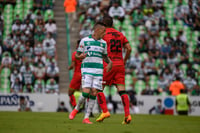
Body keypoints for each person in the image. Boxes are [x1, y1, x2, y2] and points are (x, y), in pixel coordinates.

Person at [69, 22, 112, 124]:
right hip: (87, 69)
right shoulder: (84, 41)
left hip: (98, 71)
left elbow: (105, 56)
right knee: (85, 93)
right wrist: (80, 57)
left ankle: (86, 117)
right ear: (96, 30)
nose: (105, 33)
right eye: (103, 31)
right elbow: (76, 55)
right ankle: (76, 109)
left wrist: (110, 62)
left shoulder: (104, 43)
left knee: (94, 92)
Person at [96, 16, 132, 124]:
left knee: (98, 88)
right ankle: (127, 115)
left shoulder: (103, 34)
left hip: (108, 65)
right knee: (122, 91)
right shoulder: (120, 34)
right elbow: (129, 48)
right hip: (120, 65)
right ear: (112, 24)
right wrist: (124, 60)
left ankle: (105, 111)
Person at [68, 40, 82, 108]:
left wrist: (69, 68)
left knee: (70, 93)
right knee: (87, 93)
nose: (76, 46)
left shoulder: (75, 54)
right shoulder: (86, 54)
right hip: (85, 75)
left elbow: (72, 66)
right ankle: (88, 109)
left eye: (77, 44)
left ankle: (74, 106)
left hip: (77, 75)